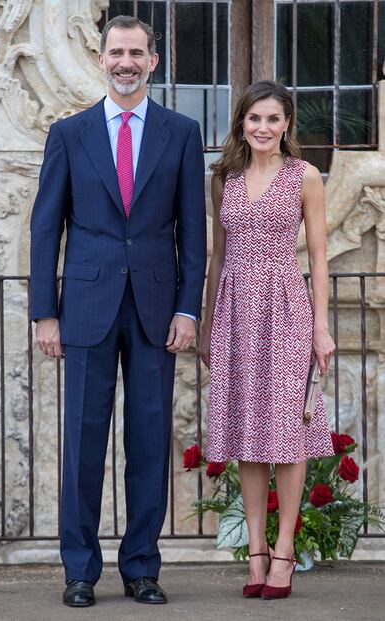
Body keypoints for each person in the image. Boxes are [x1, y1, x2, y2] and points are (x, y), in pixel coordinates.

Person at [30, 15, 206, 607]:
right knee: (82, 442)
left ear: (153, 60)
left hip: (157, 309)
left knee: (151, 443)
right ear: (101, 60)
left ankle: (141, 568)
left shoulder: (180, 133)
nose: (126, 62)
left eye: (137, 52)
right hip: (84, 306)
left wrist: (188, 308)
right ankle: (79, 570)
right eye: (116, 52)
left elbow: (194, 232)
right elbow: (45, 226)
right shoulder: (70, 133)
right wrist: (44, 313)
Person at [200, 80, 335, 600]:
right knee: (245, 431)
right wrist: (210, 322)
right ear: (241, 123)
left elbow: (320, 259)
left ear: (287, 125)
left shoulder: (305, 176)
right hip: (235, 308)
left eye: (273, 119)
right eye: (254, 118)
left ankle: (283, 550)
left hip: (286, 309)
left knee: (288, 433)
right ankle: (255, 553)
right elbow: (217, 254)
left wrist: (320, 327)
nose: (263, 127)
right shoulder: (224, 178)